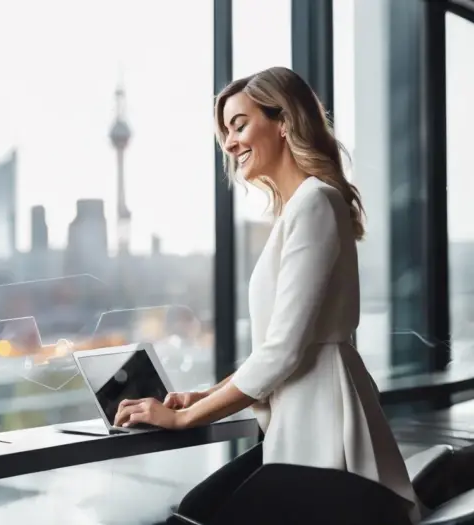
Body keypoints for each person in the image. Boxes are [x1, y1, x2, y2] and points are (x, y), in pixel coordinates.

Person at [113, 66, 421, 524]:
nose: (230, 142)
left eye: (239, 124)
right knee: (195, 510)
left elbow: (281, 352)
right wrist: (199, 396)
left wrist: (184, 418)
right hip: (299, 425)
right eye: (225, 133)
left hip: (323, 430)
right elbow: (275, 350)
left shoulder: (316, 202)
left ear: (284, 121)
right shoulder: (300, 209)